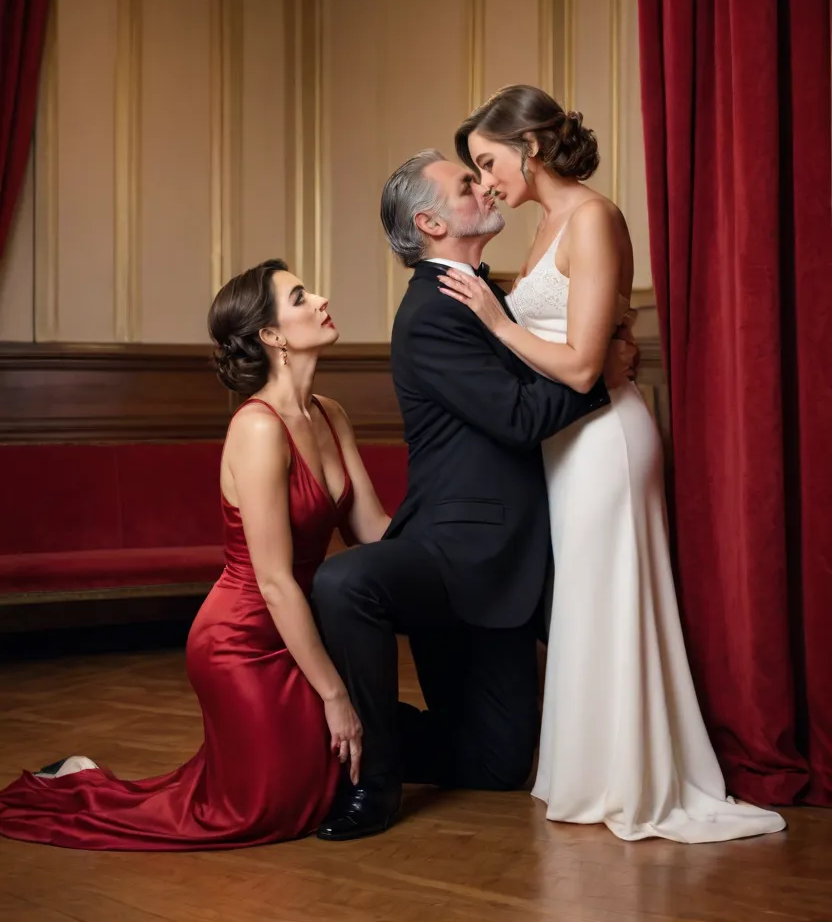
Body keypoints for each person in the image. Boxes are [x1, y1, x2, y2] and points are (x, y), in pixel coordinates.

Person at [444, 84, 787, 843]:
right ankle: (592, 772)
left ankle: (632, 777)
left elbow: (578, 366)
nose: (486, 180)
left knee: (612, 599)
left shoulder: (594, 217)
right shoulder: (543, 227)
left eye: (490, 161)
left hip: (605, 439)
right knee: (586, 605)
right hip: (563, 445)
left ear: (528, 149)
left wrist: (496, 321)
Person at [0, 259, 391, 850]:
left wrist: (459, 535)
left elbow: (373, 528)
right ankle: (80, 783)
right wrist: (335, 696)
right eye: (300, 296)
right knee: (254, 815)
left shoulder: (330, 414)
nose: (321, 299)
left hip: (304, 634)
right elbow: (275, 582)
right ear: (272, 336)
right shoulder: (256, 428)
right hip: (242, 640)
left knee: (312, 796)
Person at [311, 150, 634, 842]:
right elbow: (519, 419)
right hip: (451, 556)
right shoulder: (432, 312)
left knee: (496, 765)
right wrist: (600, 373)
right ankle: (374, 779)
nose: (485, 185)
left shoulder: (484, 295)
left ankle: (309, 730)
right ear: (430, 221)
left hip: (508, 565)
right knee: (345, 582)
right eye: (466, 183)